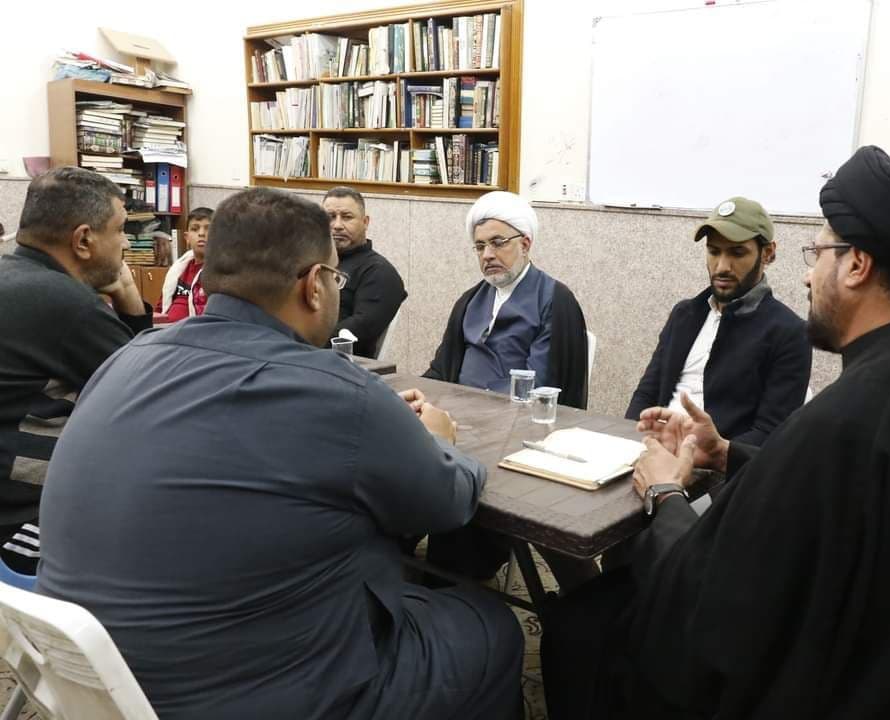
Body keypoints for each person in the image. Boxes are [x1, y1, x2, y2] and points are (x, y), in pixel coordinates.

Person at [541, 146, 890, 719]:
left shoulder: (848, 416)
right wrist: (724, 452)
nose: (807, 274)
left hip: (804, 685)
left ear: (856, 265)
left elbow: (710, 601)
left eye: (817, 253)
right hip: (886, 664)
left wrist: (665, 493)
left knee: (577, 626)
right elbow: (820, 500)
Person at [36, 187, 523, 720]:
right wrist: (436, 438)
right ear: (314, 285)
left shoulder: (127, 358)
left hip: (88, 684)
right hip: (254, 693)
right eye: (335, 279)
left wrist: (377, 426)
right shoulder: (335, 392)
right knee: (488, 623)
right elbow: (446, 502)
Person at [0, 166, 151, 574]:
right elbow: (150, 393)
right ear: (84, 240)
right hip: (19, 526)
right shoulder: (66, 304)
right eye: (120, 230)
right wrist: (130, 300)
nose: (125, 243)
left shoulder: (12, 277)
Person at [625, 197, 810, 446]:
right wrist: (629, 440)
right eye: (714, 251)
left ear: (767, 253)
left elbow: (770, 434)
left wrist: (705, 455)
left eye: (737, 252)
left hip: (718, 464)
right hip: (653, 448)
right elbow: (646, 393)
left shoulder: (789, 332)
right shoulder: (684, 314)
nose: (722, 266)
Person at [424, 190, 589, 409]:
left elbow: (540, 387)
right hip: (454, 410)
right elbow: (441, 369)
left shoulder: (554, 301)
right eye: (480, 246)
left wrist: (475, 405)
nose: (487, 255)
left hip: (511, 417)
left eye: (498, 242)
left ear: (525, 245)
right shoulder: (469, 300)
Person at [323, 187, 406, 357]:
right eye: (330, 217)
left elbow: (359, 329)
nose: (337, 225)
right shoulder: (310, 262)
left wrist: (300, 341)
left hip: (337, 363)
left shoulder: (379, 272)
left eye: (347, 217)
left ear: (365, 222)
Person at [155, 207, 214, 322]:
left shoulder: (219, 272)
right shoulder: (178, 269)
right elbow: (160, 308)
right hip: (166, 328)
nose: (201, 233)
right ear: (187, 238)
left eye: (208, 229)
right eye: (195, 229)